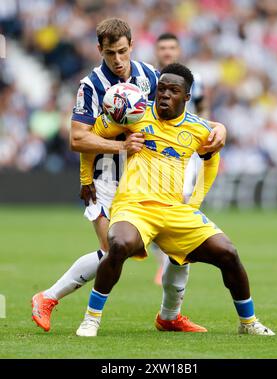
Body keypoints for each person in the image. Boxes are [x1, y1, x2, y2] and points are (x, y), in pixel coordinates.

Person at [31, 18, 226, 333]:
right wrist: (118, 147)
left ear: (132, 46)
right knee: (116, 250)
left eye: (123, 52)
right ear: (100, 51)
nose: (118, 60)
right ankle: (48, 297)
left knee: (179, 246)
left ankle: (171, 316)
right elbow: (77, 139)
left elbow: (178, 115)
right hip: (107, 180)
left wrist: (218, 127)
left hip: (153, 178)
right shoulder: (91, 85)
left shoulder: (150, 75)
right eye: (111, 54)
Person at [76, 63, 275, 338]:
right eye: (162, 89)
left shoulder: (198, 129)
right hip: (134, 206)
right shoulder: (134, 114)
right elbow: (89, 139)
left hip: (174, 210)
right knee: (119, 245)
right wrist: (86, 178)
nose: (165, 95)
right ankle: (91, 319)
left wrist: (194, 203)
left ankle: (248, 322)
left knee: (228, 253)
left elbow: (211, 161)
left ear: (187, 97)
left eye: (173, 91)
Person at [152, 32, 208, 285]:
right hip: (156, 152)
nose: (167, 51)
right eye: (162, 47)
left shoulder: (194, 79)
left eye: (171, 47)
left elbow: (203, 107)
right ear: (157, 50)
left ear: (178, 49)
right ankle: (164, 260)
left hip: (186, 148)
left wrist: (206, 133)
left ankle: (171, 261)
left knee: (182, 200)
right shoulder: (150, 78)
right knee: (154, 204)